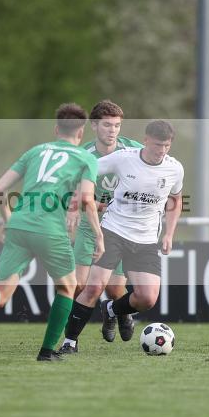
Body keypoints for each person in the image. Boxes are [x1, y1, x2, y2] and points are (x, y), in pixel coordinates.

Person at [0, 103, 104, 361]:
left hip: (19, 224)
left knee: (1, 293)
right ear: (81, 132)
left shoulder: (35, 151)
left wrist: (7, 220)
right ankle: (47, 351)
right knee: (67, 287)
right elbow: (86, 199)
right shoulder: (86, 158)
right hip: (50, 229)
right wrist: (98, 235)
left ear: (56, 129)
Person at [64, 120, 183, 347]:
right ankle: (69, 342)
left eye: (166, 146)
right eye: (157, 145)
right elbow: (87, 169)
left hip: (146, 240)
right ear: (146, 140)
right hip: (114, 231)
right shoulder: (123, 158)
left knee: (147, 299)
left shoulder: (174, 168)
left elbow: (175, 200)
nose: (162, 150)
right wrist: (76, 199)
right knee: (94, 287)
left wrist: (169, 234)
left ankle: (110, 309)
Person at [61, 100, 142, 354]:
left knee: (115, 289)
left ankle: (115, 312)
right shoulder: (83, 155)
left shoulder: (132, 150)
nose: (113, 130)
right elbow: (66, 187)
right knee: (79, 286)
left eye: (117, 125)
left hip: (119, 229)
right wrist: (74, 206)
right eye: (107, 125)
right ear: (94, 126)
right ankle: (71, 340)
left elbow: (155, 165)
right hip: (90, 227)